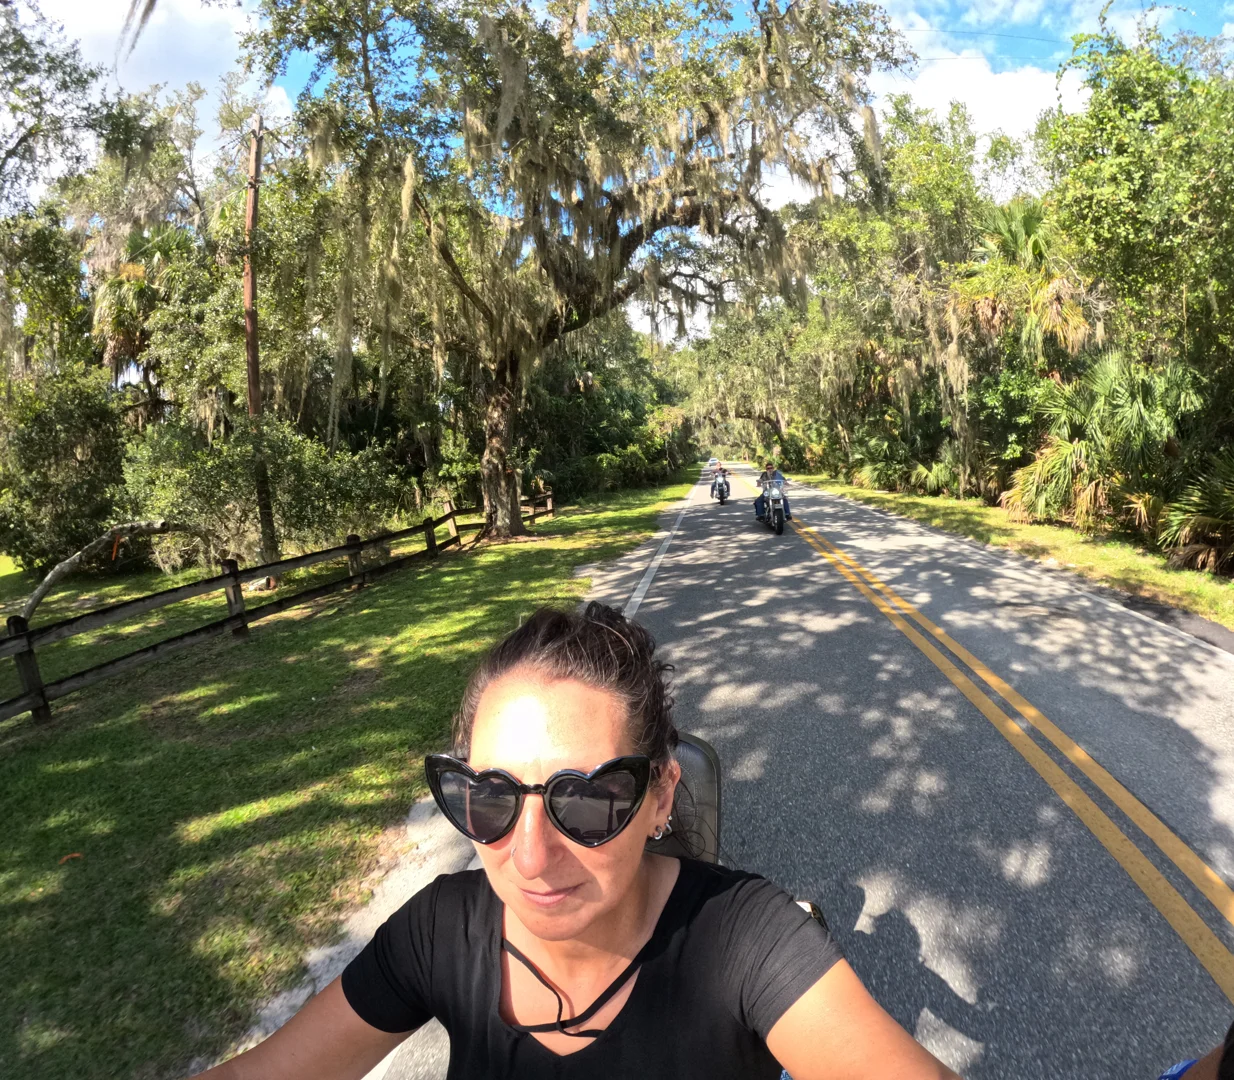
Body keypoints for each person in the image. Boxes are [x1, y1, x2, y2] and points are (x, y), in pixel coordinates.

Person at [193, 604, 959, 1080]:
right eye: (489, 796)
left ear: (661, 795)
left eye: (587, 801)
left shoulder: (744, 939)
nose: (528, 857)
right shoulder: (438, 931)